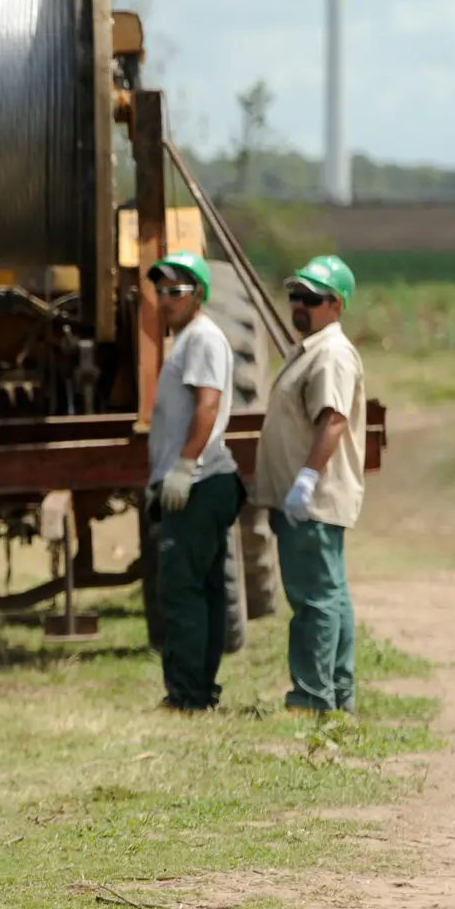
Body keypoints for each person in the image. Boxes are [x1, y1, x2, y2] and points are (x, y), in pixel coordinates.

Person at [254, 254, 367, 716]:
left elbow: (333, 420)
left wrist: (305, 480)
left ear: (336, 305)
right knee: (329, 596)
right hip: (310, 500)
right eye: (295, 296)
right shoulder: (314, 349)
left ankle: (313, 695)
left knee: (313, 600)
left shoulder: (331, 354)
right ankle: (335, 694)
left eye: (312, 298)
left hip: (312, 501)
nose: (299, 305)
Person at [144, 250, 244, 712]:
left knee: (182, 592)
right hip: (199, 482)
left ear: (198, 295)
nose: (165, 301)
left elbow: (207, 406)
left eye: (176, 292)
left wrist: (183, 467)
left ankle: (186, 695)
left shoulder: (202, 339)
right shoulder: (187, 339)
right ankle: (198, 691)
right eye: (160, 292)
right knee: (201, 591)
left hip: (200, 483)